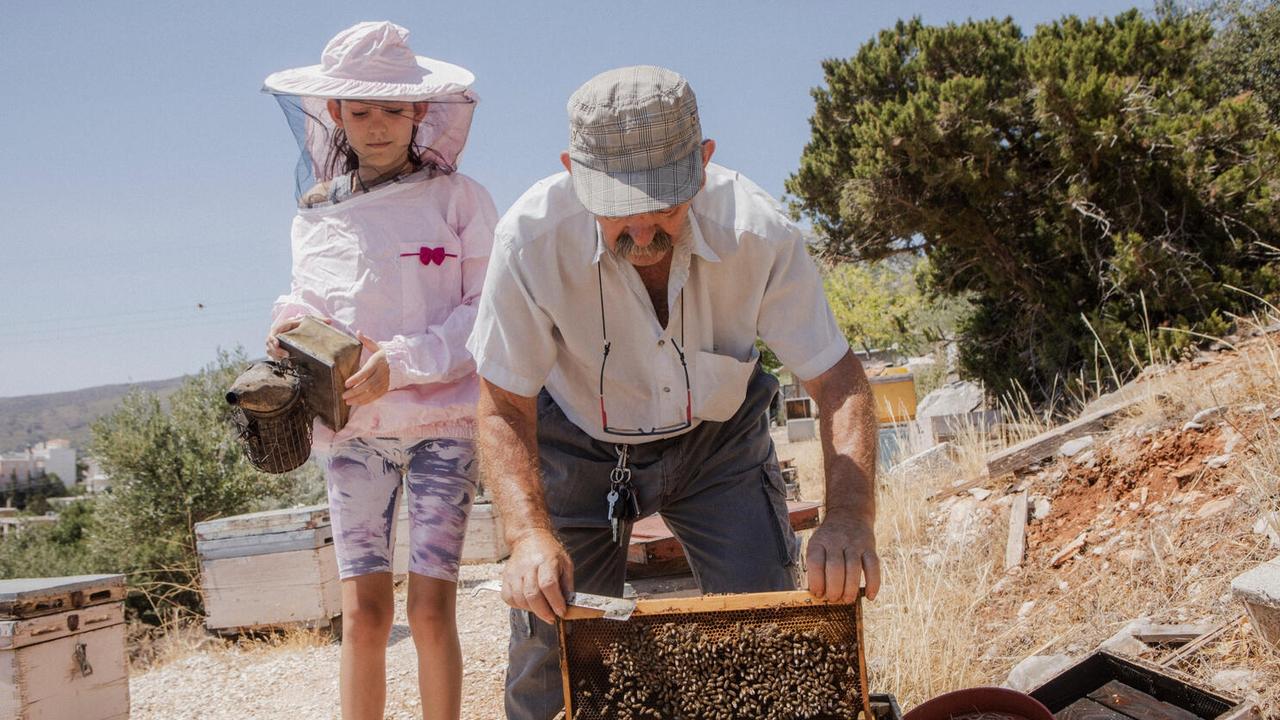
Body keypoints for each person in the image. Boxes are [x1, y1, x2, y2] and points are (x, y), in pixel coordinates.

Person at [466, 65, 882, 720]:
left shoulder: (760, 232)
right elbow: (502, 405)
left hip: (718, 447)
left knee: (764, 627)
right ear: (573, 170)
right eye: (615, 211)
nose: (641, 233)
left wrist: (851, 517)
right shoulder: (527, 242)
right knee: (551, 643)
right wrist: (526, 538)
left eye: (663, 204)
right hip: (575, 450)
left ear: (704, 161)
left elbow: (838, 380)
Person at [261, 21, 496, 720]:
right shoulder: (315, 215)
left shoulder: (461, 200)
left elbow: (486, 314)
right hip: (352, 430)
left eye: (392, 109)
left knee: (428, 610)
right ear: (333, 113)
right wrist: (284, 333)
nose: (376, 126)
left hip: (442, 426)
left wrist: (403, 363)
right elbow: (307, 303)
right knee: (363, 615)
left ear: (421, 109)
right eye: (359, 111)